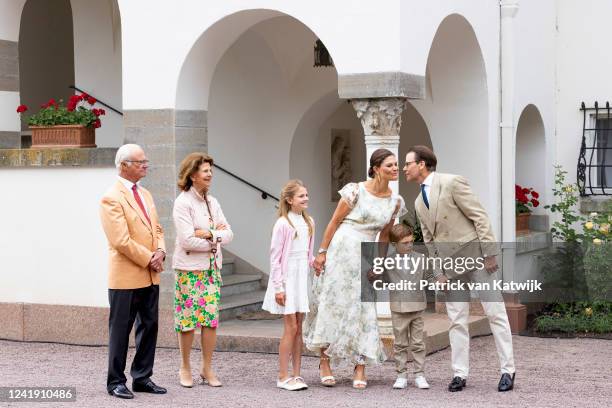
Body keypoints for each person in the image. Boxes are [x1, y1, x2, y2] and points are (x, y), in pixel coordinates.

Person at [403, 145, 516, 392]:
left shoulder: (452, 182)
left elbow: (480, 217)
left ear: (421, 164)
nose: (404, 168)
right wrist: (438, 272)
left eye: (408, 163)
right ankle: (459, 374)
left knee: (495, 313)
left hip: (476, 258)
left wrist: (489, 253)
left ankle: (508, 370)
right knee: (456, 320)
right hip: (450, 268)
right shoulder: (417, 201)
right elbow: (430, 241)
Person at [303, 148, 406, 389]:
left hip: (367, 253)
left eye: (396, 165)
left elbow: (384, 236)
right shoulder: (354, 190)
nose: (395, 169)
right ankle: (325, 361)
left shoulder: (395, 201)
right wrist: (322, 252)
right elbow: (334, 221)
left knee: (364, 309)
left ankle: (360, 366)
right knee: (334, 302)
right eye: (390, 165)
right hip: (343, 247)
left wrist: (380, 263)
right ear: (376, 168)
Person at [99, 144, 167, 399]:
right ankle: (115, 381)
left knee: (149, 327)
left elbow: (157, 228)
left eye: (145, 161)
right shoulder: (111, 197)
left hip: (151, 273)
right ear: (124, 165)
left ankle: (142, 377)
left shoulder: (146, 194)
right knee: (120, 331)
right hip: (126, 276)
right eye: (140, 162)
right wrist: (150, 258)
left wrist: (160, 252)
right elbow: (120, 240)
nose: (146, 165)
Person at [172, 152, 233, 388]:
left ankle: (207, 368)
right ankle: (185, 367)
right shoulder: (183, 202)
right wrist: (215, 241)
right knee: (187, 321)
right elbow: (187, 240)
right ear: (193, 174)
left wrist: (209, 234)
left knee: (210, 321)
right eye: (205, 170)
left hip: (211, 270)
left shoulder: (213, 202)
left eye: (210, 170)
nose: (210, 174)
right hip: (189, 269)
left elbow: (229, 233)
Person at [262, 180, 315, 391]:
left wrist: (317, 263)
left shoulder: (310, 221)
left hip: (302, 277)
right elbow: (275, 258)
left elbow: (308, 255)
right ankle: (282, 376)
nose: (306, 199)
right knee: (290, 328)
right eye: (301, 196)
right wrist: (278, 287)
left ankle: (297, 374)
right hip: (287, 278)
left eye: (307, 195)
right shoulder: (283, 223)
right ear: (290, 200)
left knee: (299, 328)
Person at [380, 223, 432, 390]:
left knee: (418, 343)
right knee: (400, 343)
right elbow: (382, 281)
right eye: (405, 243)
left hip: (417, 305)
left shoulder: (421, 258)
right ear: (395, 245)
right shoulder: (388, 261)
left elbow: (428, 277)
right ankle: (401, 374)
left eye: (411, 241)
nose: (409, 245)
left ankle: (419, 374)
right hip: (398, 307)